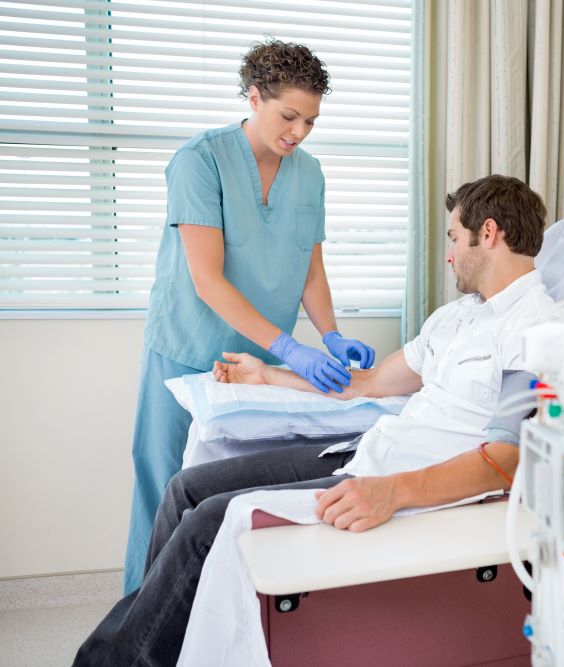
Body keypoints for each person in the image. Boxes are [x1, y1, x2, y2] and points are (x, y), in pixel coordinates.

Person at [74, 174, 564, 666]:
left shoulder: (537, 328)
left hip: (397, 478)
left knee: (207, 523)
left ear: (488, 233)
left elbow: (506, 458)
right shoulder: (457, 318)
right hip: (369, 449)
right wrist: (268, 375)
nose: (449, 254)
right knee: (185, 488)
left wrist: (393, 491)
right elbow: (369, 383)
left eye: (455, 238)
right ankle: (159, 638)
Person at [124, 39, 376, 595]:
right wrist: (291, 348)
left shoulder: (308, 174)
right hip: (186, 344)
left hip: (254, 359)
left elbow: (310, 271)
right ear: (254, 96)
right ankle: (140, 612)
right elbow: (207, 278)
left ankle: (214, 617)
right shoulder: (200, 161)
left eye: (311, 121)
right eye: (289, 116)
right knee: (164, 483)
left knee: (227, 492)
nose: (300, 132)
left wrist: (330, 334)